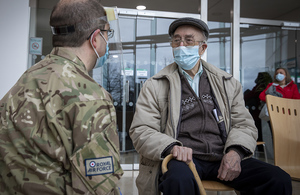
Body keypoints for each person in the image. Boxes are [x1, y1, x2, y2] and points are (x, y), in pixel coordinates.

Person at [129, 17, 292, 195]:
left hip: (223, 156)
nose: (181, 45)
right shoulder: (155, 84)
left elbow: (244, 124)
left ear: (202, 48)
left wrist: (235, 152)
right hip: (183, 160)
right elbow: (141, 130)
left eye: (188, 40)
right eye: (176, 40)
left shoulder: (227, 83)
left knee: (277, 178)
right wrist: (172, 147)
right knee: (178, 179)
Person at [0, 0, 123, 194]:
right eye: (108, 33)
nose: (108, 39)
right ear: (96, 38)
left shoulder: (25, 80)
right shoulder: (91, 97)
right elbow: (98, 186)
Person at [244, 72, 272, 145]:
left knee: (259, 135)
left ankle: (261, 152)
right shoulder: (270, 87)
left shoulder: (260, 87)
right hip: (268, 114)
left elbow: (248, 96)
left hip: (258, 114)